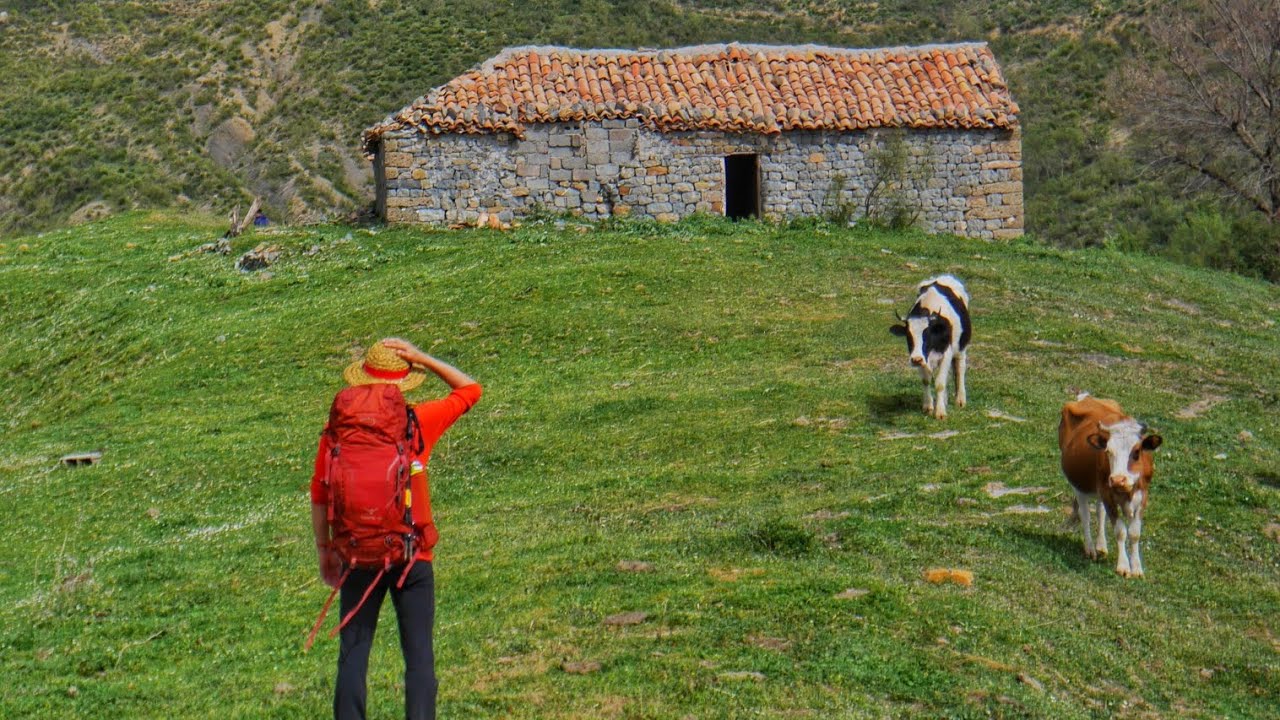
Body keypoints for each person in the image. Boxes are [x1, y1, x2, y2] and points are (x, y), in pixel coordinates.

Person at [311, 337, 481, 720]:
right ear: (406, 382)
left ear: (361, 380)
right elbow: (471, 389)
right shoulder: (417, 421)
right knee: (418, 656)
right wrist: (423, 357)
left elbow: (320, 491)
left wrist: (325, 551)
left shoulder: (337, 429)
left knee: (353, 655)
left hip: (356, 553)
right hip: (411, 554)